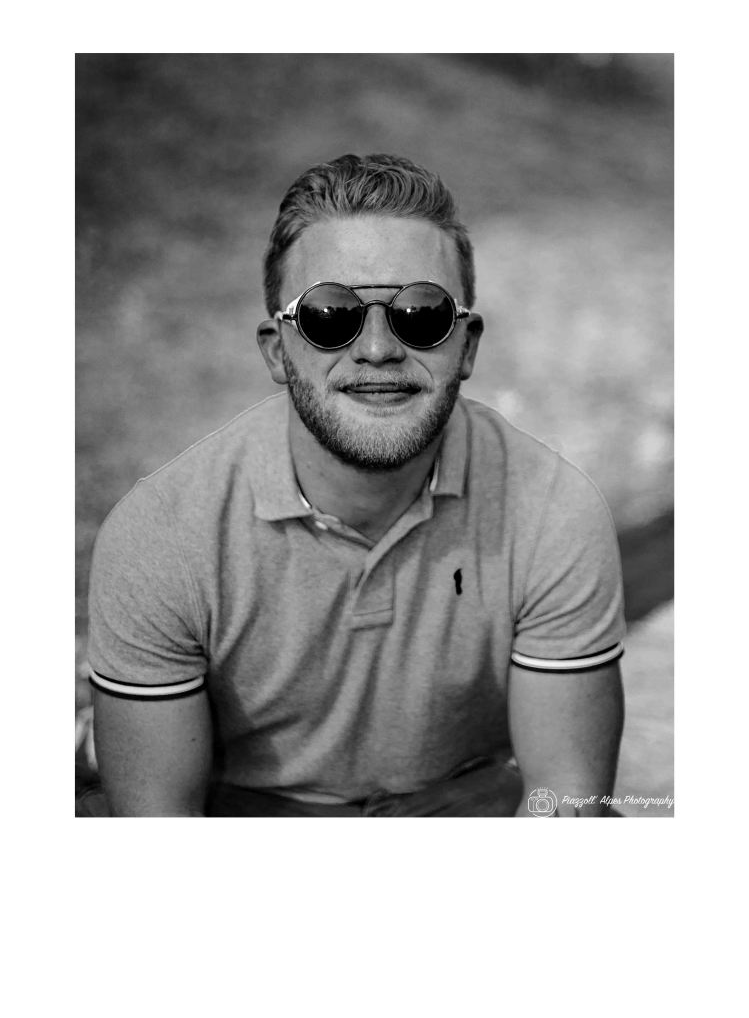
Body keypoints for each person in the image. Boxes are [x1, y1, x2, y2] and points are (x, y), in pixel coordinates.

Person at [85, 152, 626, 817]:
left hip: (458, 801)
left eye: (421, 313)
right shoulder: (161, 533)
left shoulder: (553, 509)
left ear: (466, 345)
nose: (376, 349)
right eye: (329, 315)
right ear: (277, 349)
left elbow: (563, 801)